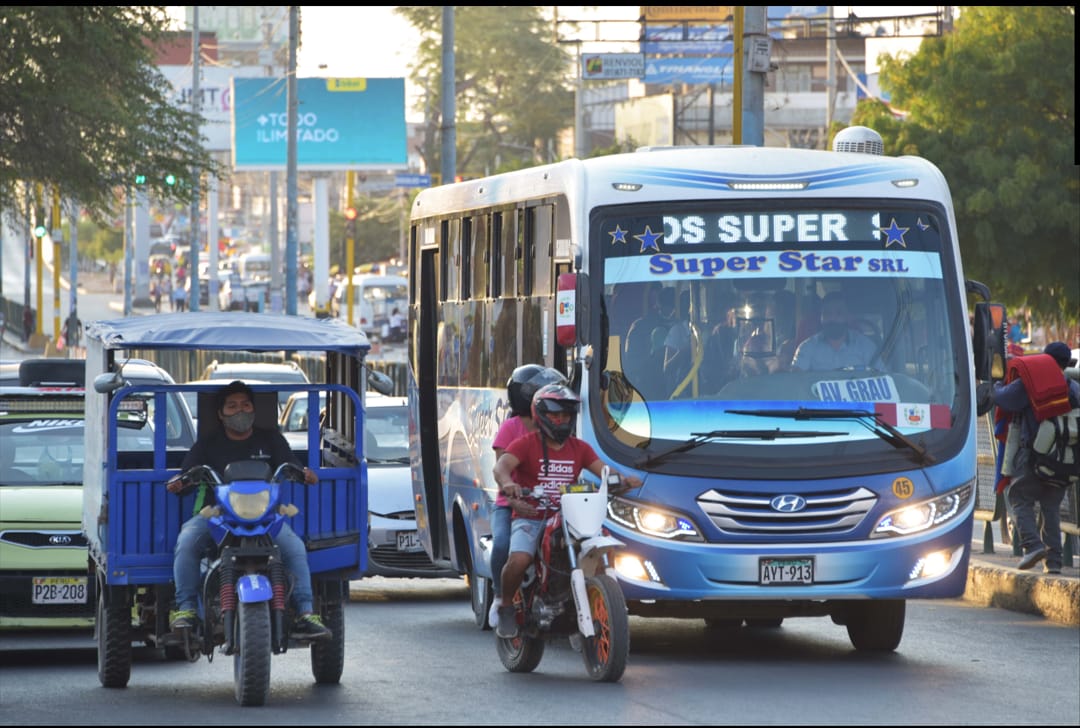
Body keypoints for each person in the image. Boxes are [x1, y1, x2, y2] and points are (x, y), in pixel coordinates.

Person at [166, 380, 331, 639]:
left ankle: (305, 612)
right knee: (187, 541)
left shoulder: (271, 439)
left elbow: (292, 465)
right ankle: (186, 610)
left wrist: (305, 474)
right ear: (220, 414)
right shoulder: (207, 444)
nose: (240, 411)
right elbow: (187, 475)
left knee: (294, 547)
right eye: (232, 406)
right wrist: (180, 483)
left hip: (267, 515)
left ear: (254, 409)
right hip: (217, 515)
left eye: (245, 405)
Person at [491, 383, 641, 638]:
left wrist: (624, 480)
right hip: (531, 516)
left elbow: (604, 471)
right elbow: (500, 468)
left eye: (566, 416)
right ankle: (505, 605)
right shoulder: (525, 444)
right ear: (541, 416)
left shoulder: (580, 448)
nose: (561, 420)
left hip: (570, 517)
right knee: (519, 559)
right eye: (555, 415)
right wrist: (509, 484)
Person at [485, 364, 568, 628]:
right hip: (511, 506)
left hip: (549, 504)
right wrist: (514, 499)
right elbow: (502, 471)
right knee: (501, 545)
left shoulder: (560, 429)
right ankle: (500, 597)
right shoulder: (511, 428)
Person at [986, 342, 1079, 573]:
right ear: (1066, 363)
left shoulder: (1032, 381)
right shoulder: (1074, 387)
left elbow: (1004, 398)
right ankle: (1054, 563)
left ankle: (1032, 545)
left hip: (1034, 456)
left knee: (1018, 496)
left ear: (1044, 359)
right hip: (1064, 461)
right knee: (1051, 507)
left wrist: (995, 386)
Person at [791, 290, 881, 372]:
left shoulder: (865, 346)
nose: (832, 318)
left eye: (839, 313)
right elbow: (797, 381)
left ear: (847, 316)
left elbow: (882, 376)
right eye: (827, 313)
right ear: (820, 317)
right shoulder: (807, 347)